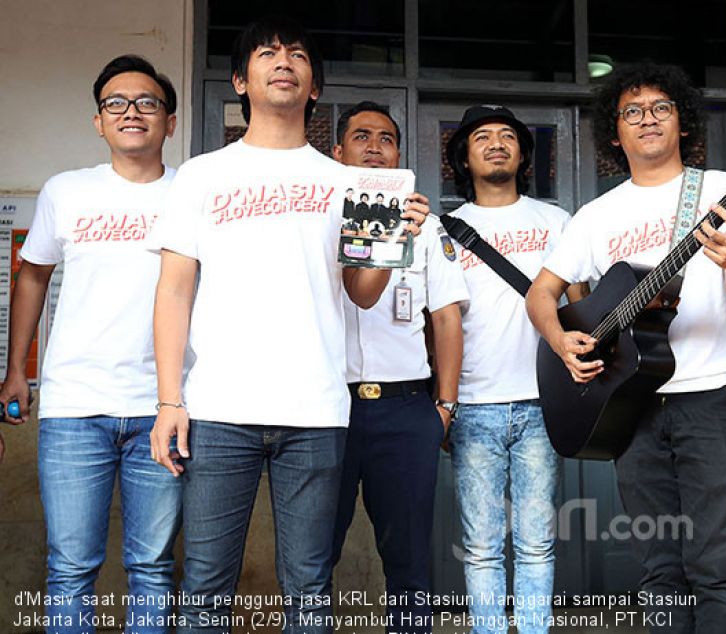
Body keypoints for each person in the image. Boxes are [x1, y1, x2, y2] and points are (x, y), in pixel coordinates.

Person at [146, 17, 425, 632]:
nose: (283, 61)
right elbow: (172, 291)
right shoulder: (202, 175)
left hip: (317, 413)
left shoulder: (346, 181)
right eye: (267, 53)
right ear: (241, 80)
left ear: (314, 86)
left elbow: (362, 294)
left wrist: (395, 240)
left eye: (297, 54)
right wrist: (170, 399)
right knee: (206, 585)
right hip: (218, 409)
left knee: (309, 587)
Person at [527, 62, 726, 634]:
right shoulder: (596, 215)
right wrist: (562, 341)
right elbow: (541, 295)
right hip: (629, 404)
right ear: (616, 132)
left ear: (682, 122)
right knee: (658, 568)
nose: (648, 120)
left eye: (661, 108)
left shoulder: (722, 191)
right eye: (632, 112)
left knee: (716, 567)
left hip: (709, 396)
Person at [0, 54, 182, 632]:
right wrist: (15, 373)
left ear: (170, 122)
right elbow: (32, 275)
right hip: (74, 406)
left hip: (165, 409)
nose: (132, 112)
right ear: (99, 122)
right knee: (71, 567)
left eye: (148, 102)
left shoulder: (192, 193)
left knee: (153, 567)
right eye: (116, 103)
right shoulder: (66, 191)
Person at [329, 100, 468, 634]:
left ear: (399, 155)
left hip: (407, 410)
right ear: (338, 152)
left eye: (386, 138)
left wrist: (444, 407)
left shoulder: (427, 229)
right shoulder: (318, 224)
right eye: (361, 137)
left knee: (409, 562)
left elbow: (447, 320)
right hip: (329, 410)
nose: (374, 147)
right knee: (314, 558)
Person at [445, 104, 570, 633]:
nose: (496, 144)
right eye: (482, 137)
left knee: (538, 542)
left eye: (506, 136)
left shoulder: (556, 221)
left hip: (544, 403)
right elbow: (440, 321)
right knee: (481, 547)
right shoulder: (444, 230)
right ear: (464, 157)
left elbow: (582, 305)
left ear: (522, 153)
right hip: (473, 405)